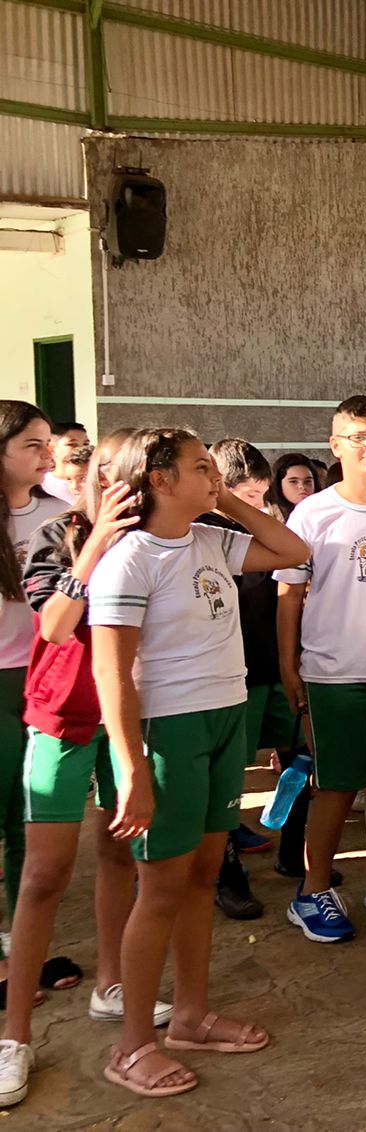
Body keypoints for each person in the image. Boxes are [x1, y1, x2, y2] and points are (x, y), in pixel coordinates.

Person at [90, 427, 308, 1097]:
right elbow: (112, 673)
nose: (212, 476)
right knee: (158, 888)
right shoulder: (131, 559)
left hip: (224, 715)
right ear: (158, 481)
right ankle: (132, 1047)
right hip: (169, 730)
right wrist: (131, 768)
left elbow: (294, 549)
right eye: (198, 468)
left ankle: (189, 1015)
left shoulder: (210, 538)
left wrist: (225, 502)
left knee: (201, 873)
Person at [0, 430, 157, 1109]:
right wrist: (92, 549)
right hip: (62, 719)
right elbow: (57, 625)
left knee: (119, 855)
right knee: (41, 876)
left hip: (129, 720)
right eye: (110, 474)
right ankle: (14, 1034)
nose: (123, 489)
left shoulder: (157, 540)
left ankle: (112, 986)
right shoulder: (55, 535)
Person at [277, 396, 366, 944]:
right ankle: (311, 890)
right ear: (335, 447)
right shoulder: (313, 513)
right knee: (334, 786)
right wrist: (290, 666)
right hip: (333, 670)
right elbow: (290, 597)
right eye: (358, 437)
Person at [0, 402, 70, 1002]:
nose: (49, 456)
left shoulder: (59, 515)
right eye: (33, 445)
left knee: (31, 811)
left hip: (41, 674)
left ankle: (27, 948)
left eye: (49, 444)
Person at [199, 439, 285, 921]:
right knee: (228, 774)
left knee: (294, 757)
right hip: (234, 669)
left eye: (260, 494)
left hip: (270, 662)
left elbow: (292, 556)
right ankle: (224, 874)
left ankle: (291, 851)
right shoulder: (208, 531)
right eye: (245, 494)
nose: (256, 503)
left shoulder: (260, 529)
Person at [41, 422, 89, 504]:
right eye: (72, 444)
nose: (81, 448)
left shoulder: (96, 482)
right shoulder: (41, 484)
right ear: (52, 450)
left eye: (86, 444)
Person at [266, 453, 319, 521]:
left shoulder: (326, 511)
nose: (302, 486)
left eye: (308, 481)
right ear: (279, 484)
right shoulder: (267, 515)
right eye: (293, 482)